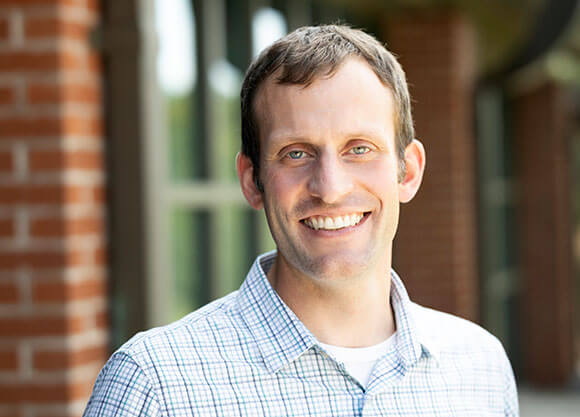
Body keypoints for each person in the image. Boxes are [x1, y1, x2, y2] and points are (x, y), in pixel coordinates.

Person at [84, 25, 518, 416]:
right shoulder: (154, 386)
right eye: (296, 153)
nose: (329, 187)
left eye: (359, 148)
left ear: (408, 171)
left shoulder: (481, 368)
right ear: (252, 181)